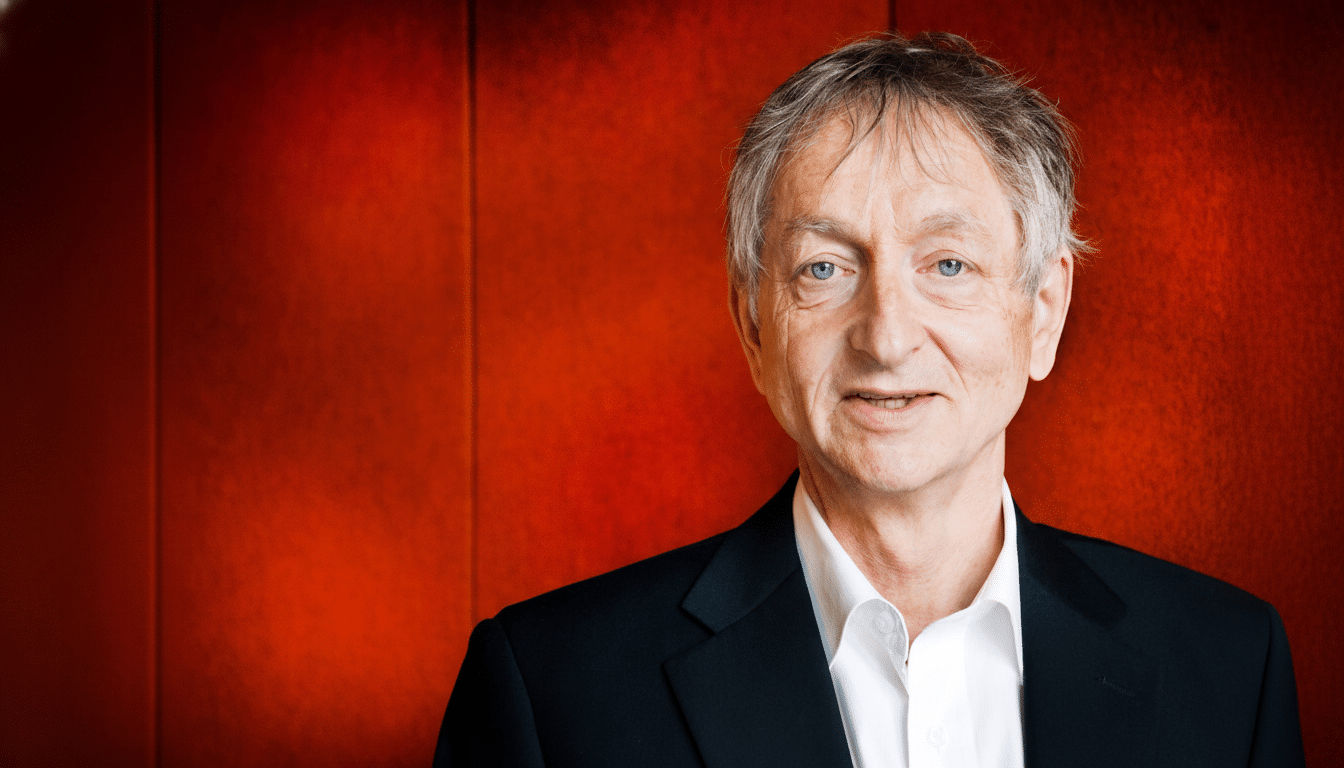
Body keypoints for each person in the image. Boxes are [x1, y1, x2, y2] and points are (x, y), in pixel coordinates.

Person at [434, 32, 1304, 767]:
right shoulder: (550, 692)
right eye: (825, 268)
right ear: (753, 326)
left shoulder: (1231, 667)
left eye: (948, 264)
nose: (886, 337)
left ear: (1043, 311)